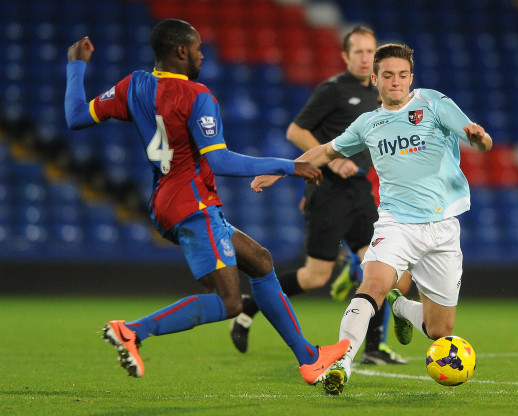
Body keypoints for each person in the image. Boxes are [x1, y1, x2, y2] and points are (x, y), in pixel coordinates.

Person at [64, 18, 349, 384]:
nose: (201, 54)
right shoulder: (198, 96)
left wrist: (76, 66)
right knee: (229, 302)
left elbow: (75, 117)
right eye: (197, 48)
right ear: (181, 51)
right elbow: (221, 161)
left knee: (260, 261)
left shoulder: (132, 85)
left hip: (166, 202)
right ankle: (133, 330)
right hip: (193, 204)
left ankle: (309, 358)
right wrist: (289, 165)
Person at [250, 43, 493, 395]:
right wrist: (283, 169)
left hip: (443, 228)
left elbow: (479, 141)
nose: (396, 82)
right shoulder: (368, 123)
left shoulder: (433, 104)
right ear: (375, 79)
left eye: (403, 76)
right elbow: (325, 151)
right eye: (389, 76)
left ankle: (402, 307)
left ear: (412, 78)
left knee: (440, 330)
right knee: (373, 286)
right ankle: (340, 363)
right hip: (396, 224)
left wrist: (480, 139)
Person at [229, 26, 407, 365]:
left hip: (360, 192)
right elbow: (296, 130)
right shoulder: (333, 90)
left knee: (382, 265)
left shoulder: (379, 91)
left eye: (371, 51)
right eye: (359, 52)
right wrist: (328, 165)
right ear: (345, 56)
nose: (366, 57)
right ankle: (249, 306)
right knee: (315, 276)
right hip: (328, 192)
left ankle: (372, 347)